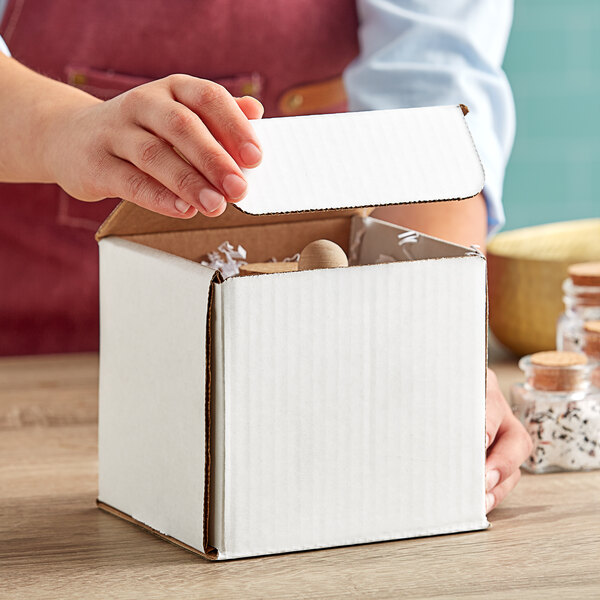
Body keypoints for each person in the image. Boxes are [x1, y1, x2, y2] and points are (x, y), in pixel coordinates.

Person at [0, 0, 530, 513]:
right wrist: (59, 128)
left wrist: (435, 344)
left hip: (307, 357)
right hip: (20, 366)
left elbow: (429, 100)